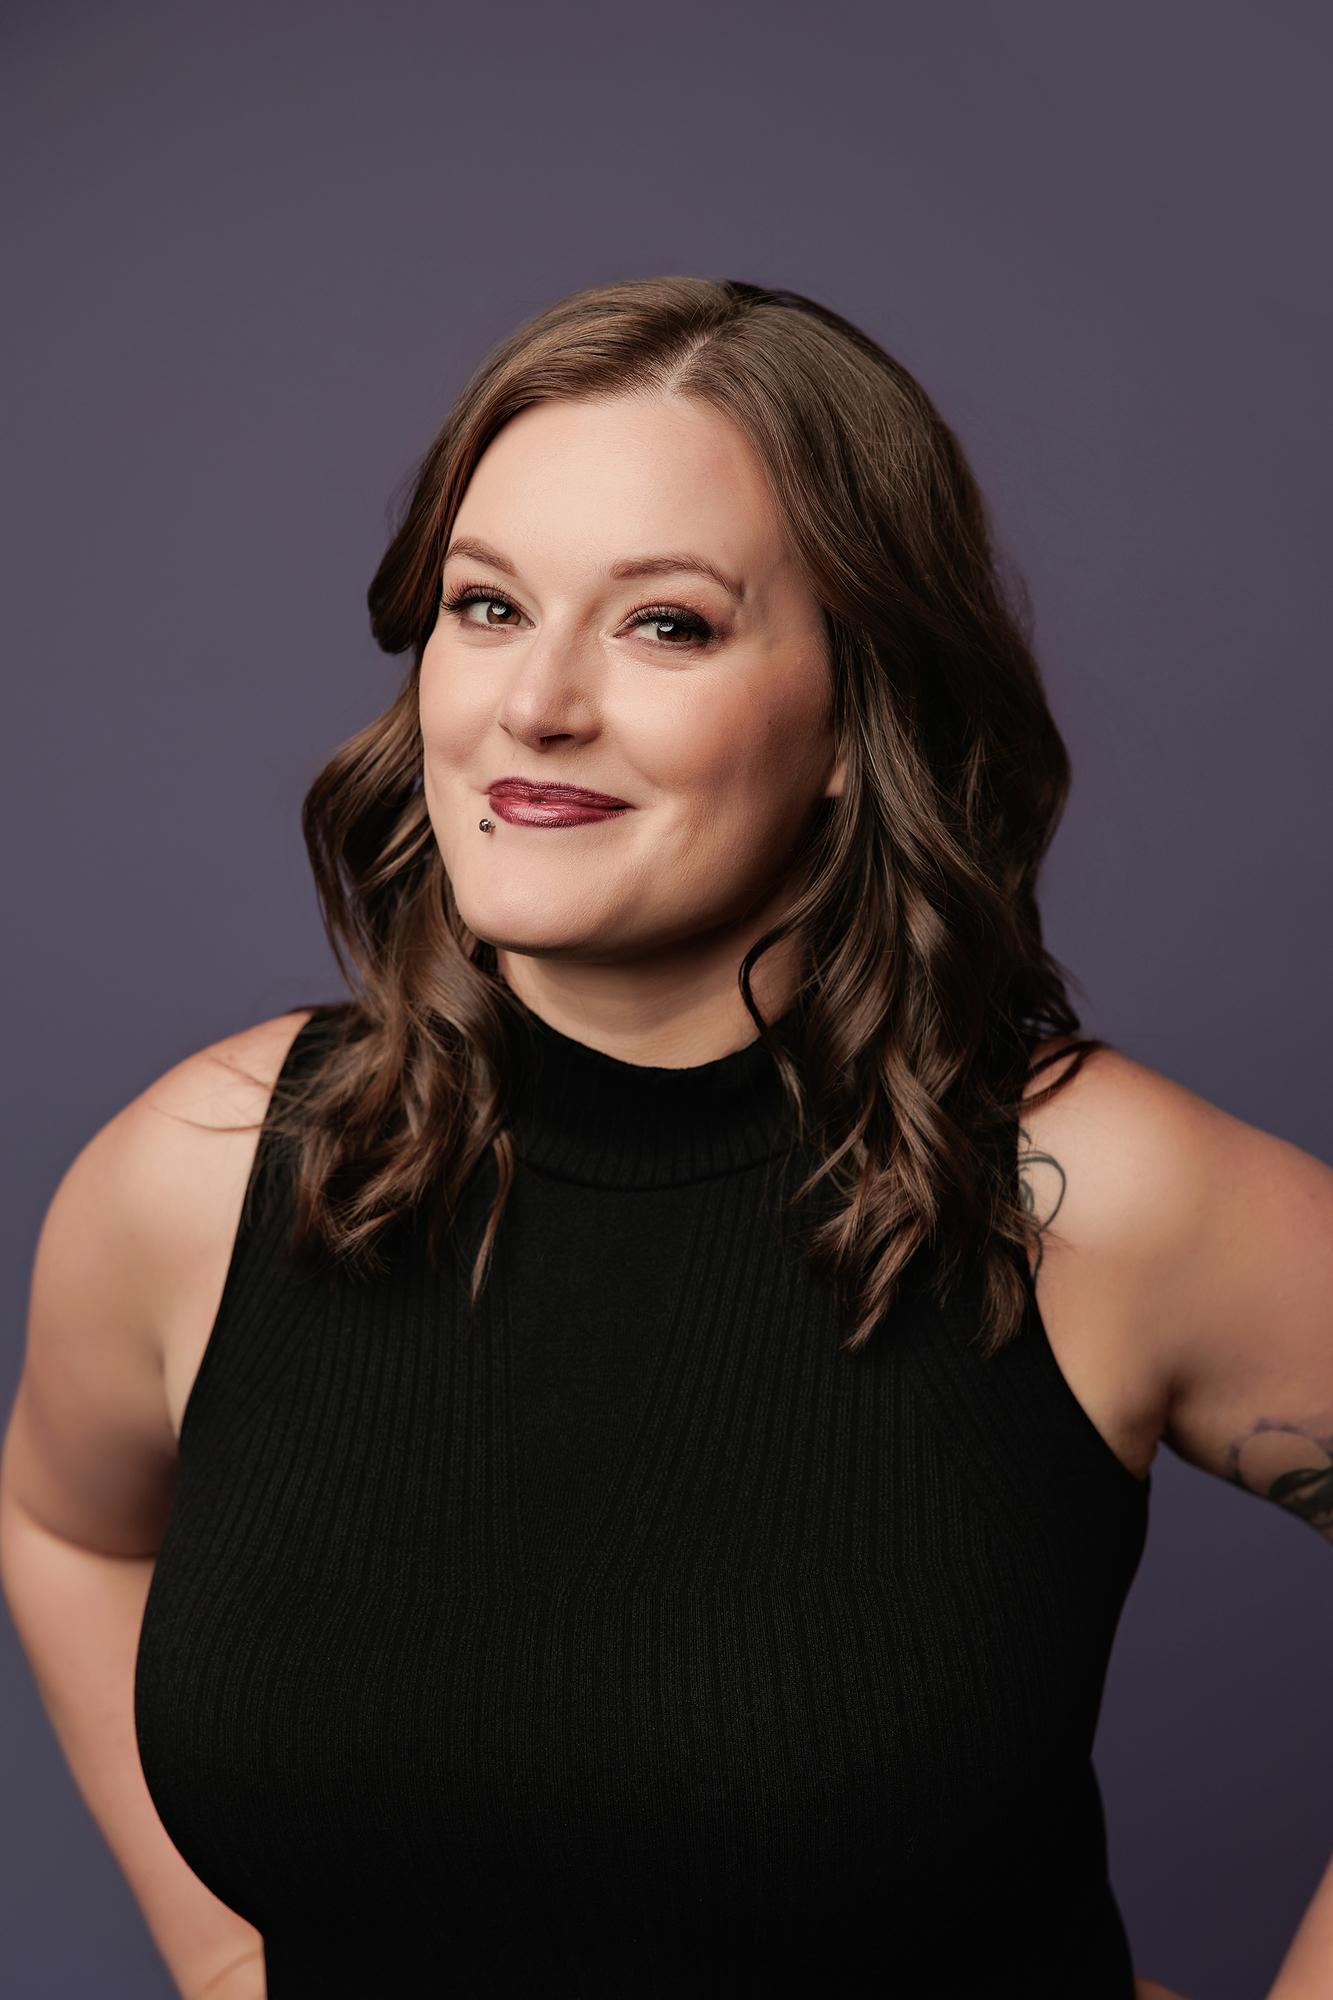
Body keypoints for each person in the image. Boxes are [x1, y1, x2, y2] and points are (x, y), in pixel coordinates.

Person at [1, 276, 1328, 2000]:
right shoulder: (207, 1162)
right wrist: (219, 1953)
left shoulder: (1086, 1194)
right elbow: (69, 1526)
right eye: (486, 608)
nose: (533, 705)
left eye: (666, 626)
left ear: (857, 718)